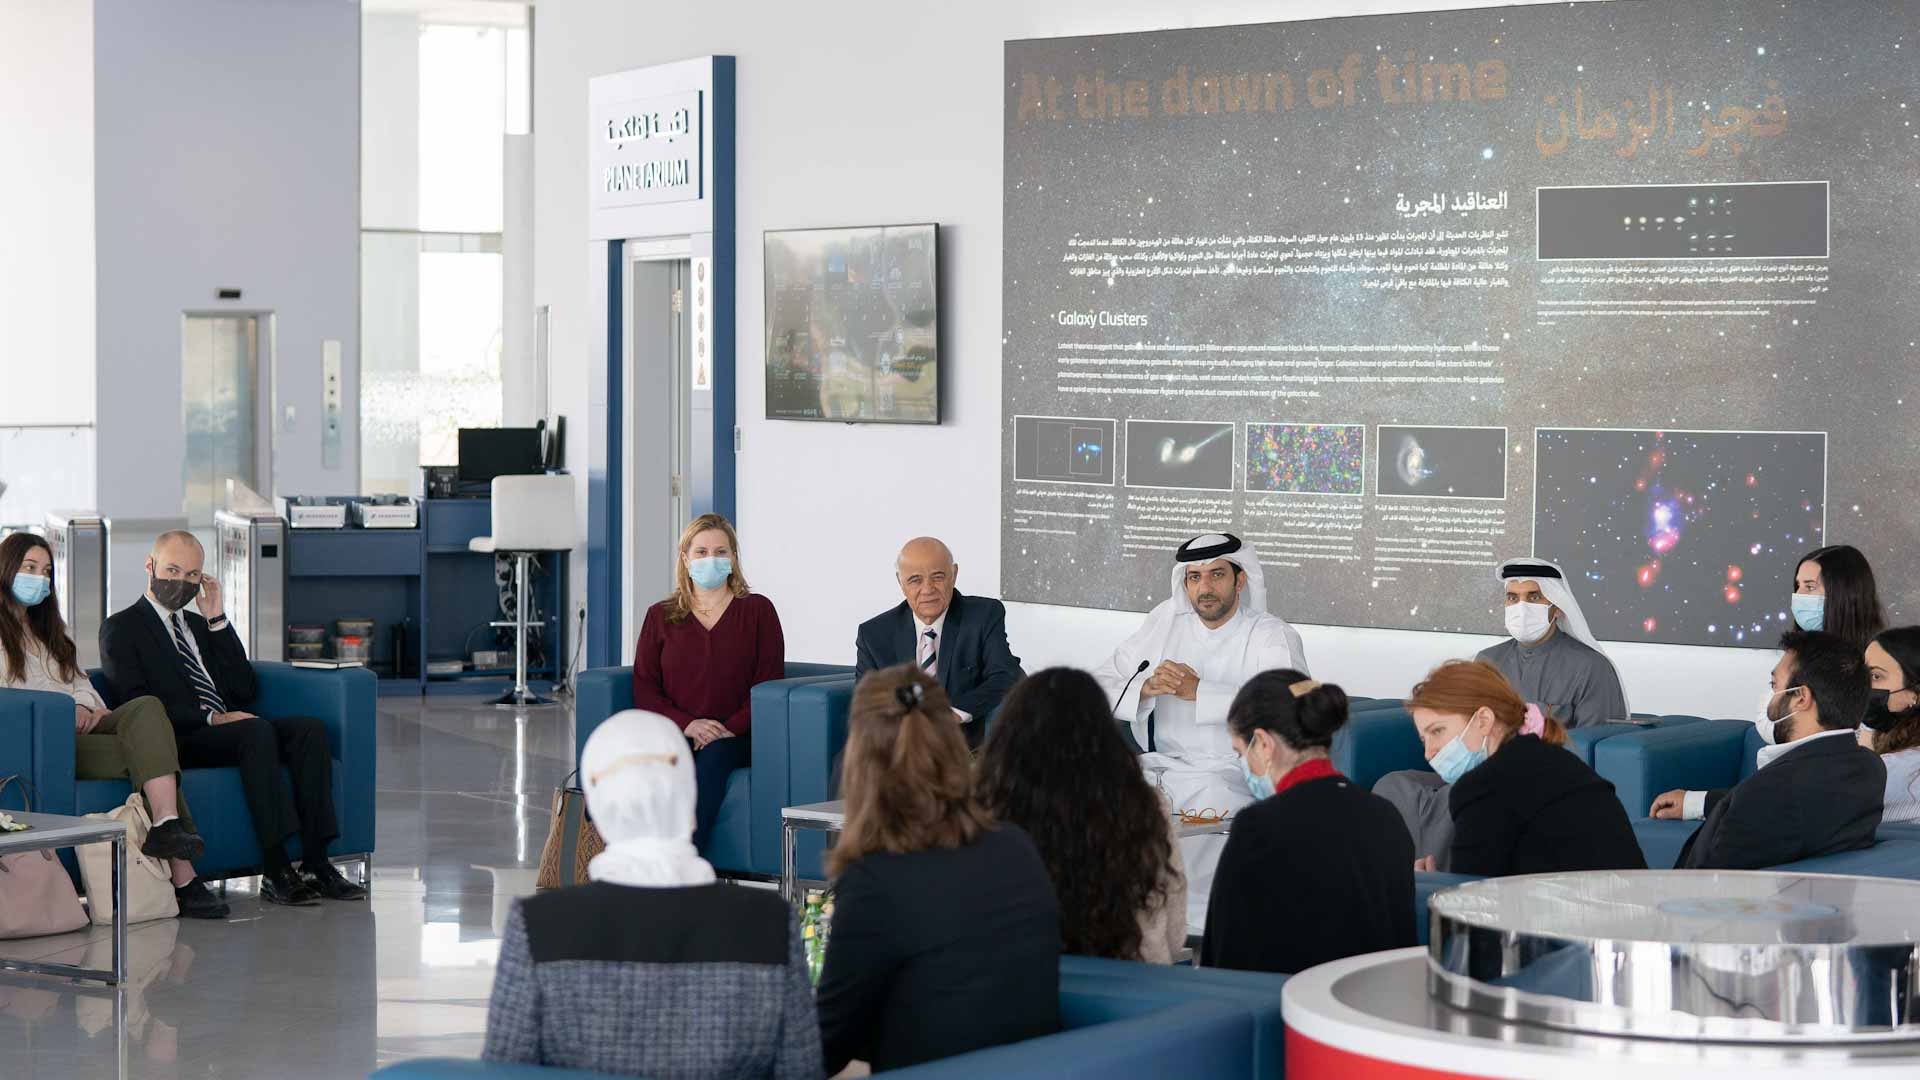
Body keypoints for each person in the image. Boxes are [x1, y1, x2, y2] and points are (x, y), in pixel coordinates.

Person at [483, 710, 820, 1078]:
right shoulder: (769, 923)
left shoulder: (536, 927)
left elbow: (505, 1069)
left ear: (596, 810)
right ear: (691, 802)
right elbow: (800, 1071)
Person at [816, 665, 1060, 1074]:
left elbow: (826, 1045)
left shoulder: (875, 880)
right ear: (952, 744)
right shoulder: (1016, 845)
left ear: (858, 756)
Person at [99, 531, 361, 906]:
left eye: (191, 575)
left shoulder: (198, 626)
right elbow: (135, 702)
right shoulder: (122, 627)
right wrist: (210, 719)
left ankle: (317, 862)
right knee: (254, 731)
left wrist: (217, 619)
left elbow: (243, 689)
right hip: (178, 738)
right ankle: (276, 868)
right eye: (172, 569)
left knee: (308, 730)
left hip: (230, 729)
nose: (181, 582)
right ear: (150, 566)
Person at [0, 534, 225, 919]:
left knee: (146, 708)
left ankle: (168, 824)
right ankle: (184, 874)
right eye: (30, 569)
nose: (40, 578)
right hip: (46, 741)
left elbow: (82, 683)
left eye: (47, 571)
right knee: (149, 757)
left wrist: (87, 708)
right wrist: (62, 712)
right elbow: (10, 698)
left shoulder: (53, 633)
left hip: (86, 725)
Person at [1091, 533, 1306, 930]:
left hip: (1232, 772)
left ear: (1240, 580)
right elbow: (1101, 681)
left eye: (1216, 575)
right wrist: (1145, 688)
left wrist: (1200, 692)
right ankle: (1122, 928)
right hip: (1162, 767)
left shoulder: (1271, 634)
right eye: (1194, 577)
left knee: (1211, 801)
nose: (1204, 588)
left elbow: (1290, 704)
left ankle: (1198, 932)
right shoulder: (1164, 624)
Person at [1201, 670, 1414, 974]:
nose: (1244, 764)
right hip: (1374, 1008)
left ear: (1262, 743)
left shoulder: (1259, 826)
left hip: (1290, 1008)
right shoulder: (1385, 814)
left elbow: (1224, 952)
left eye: (1240, 752)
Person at [976, 667, 1186, 963]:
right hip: (1132, 987)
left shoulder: (983, 806)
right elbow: (1174, 935)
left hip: (1017, 984)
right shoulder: (1145, 805)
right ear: (1104, 732)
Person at [1652, 630, 1885, 870]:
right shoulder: (1869, 769)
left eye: (1775, 685)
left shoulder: (1772, 791)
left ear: (1801, 698)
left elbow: (1708, 883)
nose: (1771, 697)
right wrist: (1698, 802)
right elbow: (1795, 808)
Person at [630, 513, 784, 853]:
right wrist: (688, 725)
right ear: (685, 559)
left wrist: (727, 728)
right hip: (678, 730)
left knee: (712, 761)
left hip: (740, 735)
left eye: (720, 551)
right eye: (701, 552)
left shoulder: (759, 611)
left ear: (733, 559)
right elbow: (645, 686)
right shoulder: (660, 615)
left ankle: (682, 865)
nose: (710, 559)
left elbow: (769, 682)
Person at [1407, 660, 1644, 877]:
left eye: (1437, 731)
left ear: (1483, 720)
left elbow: (1474, 907)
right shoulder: (1557, 759)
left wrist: (1434, 889)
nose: (1429, 753)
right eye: (1423, 739)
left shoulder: (1481, 787)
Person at [854, 536, 1024, 749]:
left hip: (961, 742)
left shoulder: (983, 616)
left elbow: (1005, 675)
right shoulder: (874, 634)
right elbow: (867, 701)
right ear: (900, 582)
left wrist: (951, 715)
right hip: (898, 745)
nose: (927, 589)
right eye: (915, 579)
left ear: (954, 574)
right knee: (845, 765)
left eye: (938, 576)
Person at [1474, 558, 1629, 728]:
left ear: (1557, 608)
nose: (1521, 608)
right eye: (1513, 598)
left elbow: (1593, 744)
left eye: (1533, 597)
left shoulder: (1591, 667)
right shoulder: (1487, 662)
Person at [1860, 627, 1920, 823]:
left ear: (1914, 694)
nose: (1863, 685)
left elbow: (1848, 791)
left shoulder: (1906, 772)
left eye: (1876, 676)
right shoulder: (1886, 734)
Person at [1790, 544, 1885, 648]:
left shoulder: (1878, 659)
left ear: (1843, 594)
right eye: (1798, 585)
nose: (1798, 594)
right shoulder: (1797, 655)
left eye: (1810, 587)